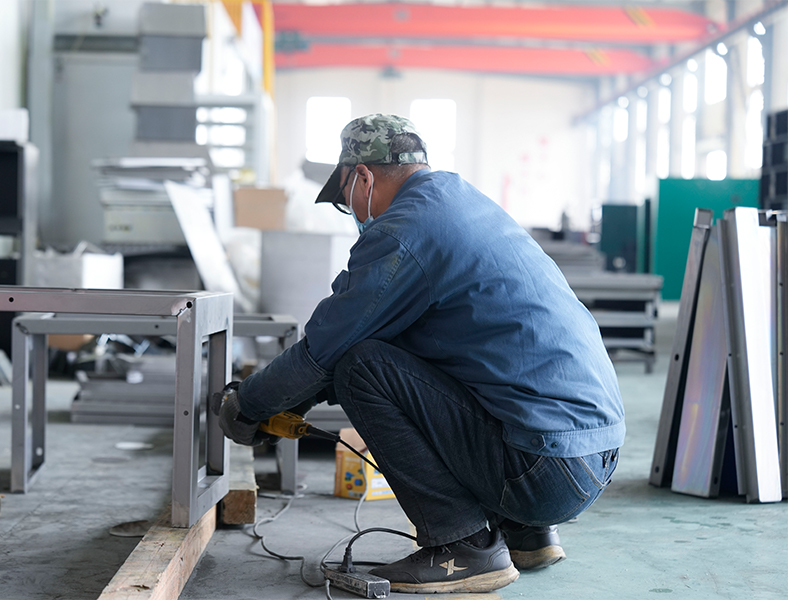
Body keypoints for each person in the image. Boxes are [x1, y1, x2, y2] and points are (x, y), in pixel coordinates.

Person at [218, 114, 624, 594]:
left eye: (346, 199)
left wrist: (248, 405)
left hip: (542, 469)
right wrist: (295, 401)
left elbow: (327, 348)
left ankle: (464, 547)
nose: (353, 212)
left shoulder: (403, 232)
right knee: (408, 349)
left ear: (363, 177)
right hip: (590, 455)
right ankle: (527, 533)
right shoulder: (462, 203)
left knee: (361, 369)